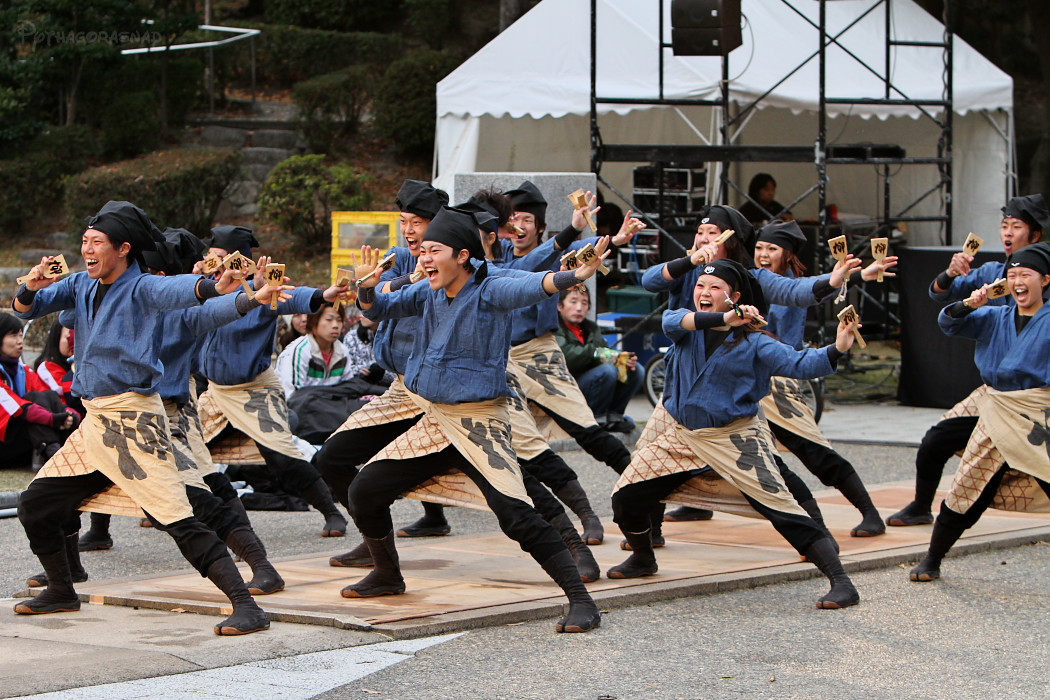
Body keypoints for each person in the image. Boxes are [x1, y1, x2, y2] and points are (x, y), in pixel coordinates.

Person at [344, 207, 609, 632]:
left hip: (480, 421)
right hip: (435, 420)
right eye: (423, 250)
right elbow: (378, 311)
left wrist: (573, 277)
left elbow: (534, 285)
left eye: (433, 250)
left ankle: (582, 601)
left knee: (516, 515)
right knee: (364, 491)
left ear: (463, 255)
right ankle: (388, 574)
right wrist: (367, 288)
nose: (424, 258)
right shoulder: (428, 290)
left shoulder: (491, 288)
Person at [12, 200, 269, 634]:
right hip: (94, 419)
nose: (87, 249)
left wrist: (228, 291)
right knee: (35, 504)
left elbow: (190, 293)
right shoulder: (79, 284)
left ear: (123, 249)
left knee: (177, 515)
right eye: (84, 242)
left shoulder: (145, 287)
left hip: (136, 418)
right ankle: (61, 589)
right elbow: (25, 310)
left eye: (96, 243)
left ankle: (247, 605)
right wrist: (31, 287)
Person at [608, 258, 861, 609]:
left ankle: (841, 582)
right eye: (700, 286)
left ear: (735, 296)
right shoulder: (684, 326)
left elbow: (800, 364)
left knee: (782, 509)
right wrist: (723, 319)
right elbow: (672, 320)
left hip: (733, 437)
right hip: (681, 437)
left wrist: (838, 348)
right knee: (626, 498)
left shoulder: (756, 342)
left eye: (714, 288)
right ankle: (643, 557)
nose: (704, 292)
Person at [640, 204, 863, 526]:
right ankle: (650, 536)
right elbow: (649, 281)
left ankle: (823, 527)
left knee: (786, 458)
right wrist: (692, 261)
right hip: (686, 383)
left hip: (752, 374)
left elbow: (795, 290)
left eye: (712, 233)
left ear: (730, 241)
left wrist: (835, 281)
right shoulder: (688, 272)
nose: (703, 238)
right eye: (700, 232)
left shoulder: (752, 278)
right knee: (651, 456)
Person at [888, 194, 1049, 526]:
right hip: (995, 391)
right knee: (937, 439)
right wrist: (950, 273)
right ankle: (920, 506)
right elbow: (940, 295)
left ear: (1034, 235)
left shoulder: (1046, 275)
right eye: (1004, 226)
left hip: (1038, 396)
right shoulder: (992, 271)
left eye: (1016, 226)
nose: (1007, 233)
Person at [909, 242, 1050, 582]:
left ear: (1045, 280)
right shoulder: (994, 316)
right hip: (997, 408)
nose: (1017, 281)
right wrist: (971, 302)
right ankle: (933, 557)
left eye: (1025, 275)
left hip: (1038, 412)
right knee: (968, 484)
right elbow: (948, 322)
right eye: (1012, 274)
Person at [195, 225, 349, 538]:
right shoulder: (203, 288)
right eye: (212, 258)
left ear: (242, 262)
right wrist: (191, 275)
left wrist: (322, 295)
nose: (216, 264)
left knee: (281, 458)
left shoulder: (262, 289)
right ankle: (170, 514)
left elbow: (292, 298)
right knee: (187, 453)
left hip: (254, 389)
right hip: (214, 392)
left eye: (223, 258)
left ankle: (332, 512)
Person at [754, 220, 891, 536]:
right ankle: (696, 503)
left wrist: (856, 275)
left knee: (813, 450)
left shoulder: (785, 284)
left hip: (779, 377)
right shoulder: (753, 279)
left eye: (772, 248)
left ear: (788, 255)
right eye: (759, 247)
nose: (763, 254)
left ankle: (868, 513)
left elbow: (814, 290)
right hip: (746, 373)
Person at [554, 285, 644, 433]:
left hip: (592, 379)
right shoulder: (555, 327)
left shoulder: (591, 328)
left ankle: (615, 417)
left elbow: (604, 351)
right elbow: (567, 356)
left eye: (584, 303)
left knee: (635, 369)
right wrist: (599, 354)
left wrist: (621, 357)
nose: (579, 308)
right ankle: (596, 418)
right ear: (559, 305)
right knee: (607, 371)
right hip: (568, 386)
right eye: (573, 301)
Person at [0, 314, 79, 469]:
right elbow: (18, 408)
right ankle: (55, 454)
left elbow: (50, 396)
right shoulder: (46, 366)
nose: (19, 341)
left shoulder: (24, 371)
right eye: (13, 336)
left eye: (21, 335)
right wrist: (53, 418)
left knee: (46, 396)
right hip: (3, 443)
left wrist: (70, 415)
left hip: (24, 442)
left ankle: (55, 451)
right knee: (33, 400)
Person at [275, 303, 352, 399]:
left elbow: (349, 388)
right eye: (329, 320)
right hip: (302, 409)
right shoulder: (299, 351)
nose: (335, 325)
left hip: (333, 408)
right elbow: (292, 397)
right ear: (314, 322)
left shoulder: (343, 352)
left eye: (339, 320)